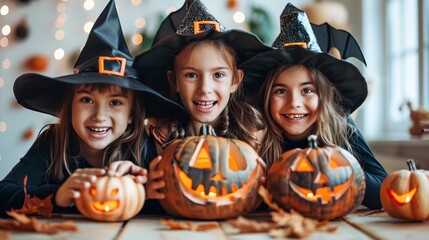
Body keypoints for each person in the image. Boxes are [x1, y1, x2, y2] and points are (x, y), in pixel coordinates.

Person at [0, 0, 187, 217]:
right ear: (70, 106)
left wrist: (142, 193)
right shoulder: (53, 143)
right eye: (87, 100)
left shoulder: (145, 148)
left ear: (131, 114)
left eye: (115, 103)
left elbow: (175, 204)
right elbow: (4, 193)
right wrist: (57, 196)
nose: (99, 116)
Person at [240, 3, 387, 210]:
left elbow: (383, 192)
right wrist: (254, 150)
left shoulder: (341, 125)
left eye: (307, 90)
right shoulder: (257, 128)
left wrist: (343, 165)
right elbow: (240, 197)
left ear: (324, 96)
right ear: (266, 96)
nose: (294, 103)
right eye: (280, 91)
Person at [132, 0, 271, 212]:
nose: (204, 88)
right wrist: (144, 191)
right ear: (174, 81)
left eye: (218, 75)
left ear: (235, 80)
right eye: (191, 75)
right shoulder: (158, 135)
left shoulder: (254, 131)